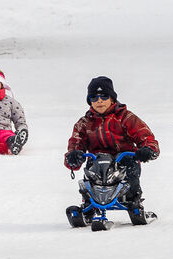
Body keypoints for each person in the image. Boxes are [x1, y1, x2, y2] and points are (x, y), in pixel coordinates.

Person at [64, 76, 159, 204]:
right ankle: (89, 201)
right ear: (89, 101)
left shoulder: (125, 117)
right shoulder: (84, 123)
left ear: (112, 99)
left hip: (123, 161)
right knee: (92, 167)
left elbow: (145, 135)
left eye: (104, 97)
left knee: (127, 161)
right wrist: (74, 156)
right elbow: (76, 142)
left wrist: (148, 149)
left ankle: (132, 198)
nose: (99, 101)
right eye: (94, 98)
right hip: (98, 162)